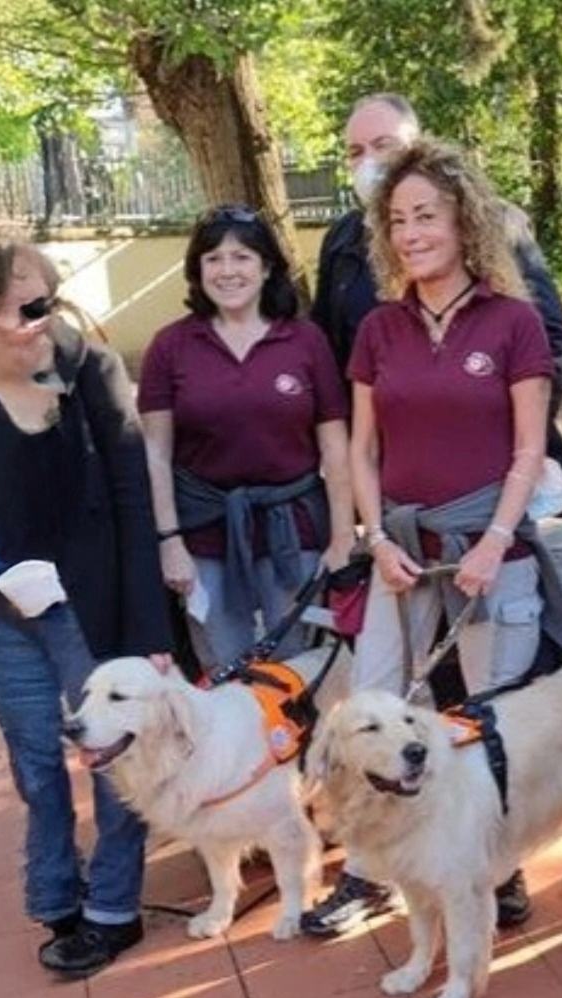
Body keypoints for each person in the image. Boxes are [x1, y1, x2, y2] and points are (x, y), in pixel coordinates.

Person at [299, 139, 562, 939]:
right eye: (397, 220)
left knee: (491, 718)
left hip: (490, 549)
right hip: (400, 550)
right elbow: (361, 450)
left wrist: (496, 539)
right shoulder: (378, 329)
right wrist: (375, 540)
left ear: (464, 221)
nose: (412, 233)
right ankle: (368, 872)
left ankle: (502, 867)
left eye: (426, 215)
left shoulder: (514, 323)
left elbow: (529, 448)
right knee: (374, 705)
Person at [0, 243, 172, 977]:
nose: (43, 302)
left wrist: (150, 631)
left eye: (45, 289)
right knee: (35, 766)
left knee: (113, 759)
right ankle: (55, 896)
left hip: (96, 607)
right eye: (24, 295)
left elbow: (133, 501)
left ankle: (113, 910)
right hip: (16, 615)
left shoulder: (90, 372)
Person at [311, 92, 562, 518]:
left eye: (383, 145)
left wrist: (510, 441)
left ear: (416, 146)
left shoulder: (494, 222)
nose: (369, 161)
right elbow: (330, 353)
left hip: (488, 476)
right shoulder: (342, 240)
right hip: (393, 476)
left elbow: (550, 339)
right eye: (355, 152)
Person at [138, 205, 355, 668]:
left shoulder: (306, 340)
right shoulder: (170, 346)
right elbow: (156, 453)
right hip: (203, 531)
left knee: (295, 667)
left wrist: (342, 538)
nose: (227, 270)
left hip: (293, 528)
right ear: (197, 270)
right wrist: (169, 541)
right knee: (222, 668)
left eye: (241, 257)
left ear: (267, 266)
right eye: (213, 258)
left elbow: (335, 446)